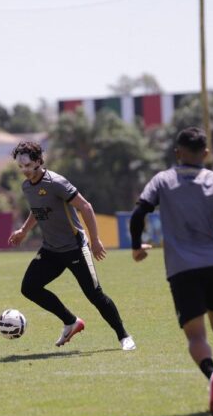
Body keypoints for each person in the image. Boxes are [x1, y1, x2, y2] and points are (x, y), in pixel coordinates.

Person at [129, 127, 213, 416]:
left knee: (196, 336)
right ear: (206, 153)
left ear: (177, 152)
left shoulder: (162, 180)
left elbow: (139, 213)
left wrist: (137, 245)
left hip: (181, 269)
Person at [8, 141, 135, 351]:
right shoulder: (26, 186)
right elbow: (37, 210)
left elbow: (86, 206)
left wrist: (95, 241)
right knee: (29, 288)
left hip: (75, 248)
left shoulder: (56, 182)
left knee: (95, 295)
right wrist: (23, 231)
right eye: (21, 167)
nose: (25, 171)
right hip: (51, 249)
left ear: (39, 161)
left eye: (28, 166)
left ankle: (124, 336)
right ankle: (70, 321)